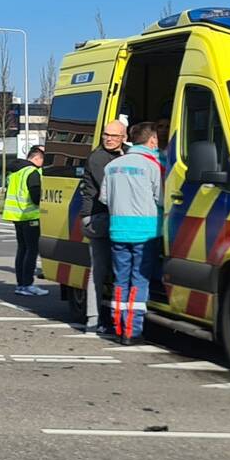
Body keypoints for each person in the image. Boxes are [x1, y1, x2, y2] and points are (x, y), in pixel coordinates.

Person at [101, 121, 165, 342]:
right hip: (145, 233)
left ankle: (118, 327)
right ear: (152, 140)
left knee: (120, 281)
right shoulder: (153, 165)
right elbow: (162, 198)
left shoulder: (112, 166)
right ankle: (132, 330)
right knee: (139, 281)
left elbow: (105, 198)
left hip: (118, 230)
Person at [74, 121, 128, 338]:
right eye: (106, 135)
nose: (109, 139)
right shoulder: (98, 157)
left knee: (115, 269)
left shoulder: (124, 154)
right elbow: (111, 186)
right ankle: (94, 320)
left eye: (114, 136)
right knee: (100, 269)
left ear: (124, 136)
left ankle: (114, 318)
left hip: (112, 217)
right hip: (98, 218)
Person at [3, 145, 48, 297]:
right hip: (30, 216)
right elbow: (36, 197)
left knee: (22, 249)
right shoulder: (32, 172)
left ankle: (21, 284)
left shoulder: (15, 172)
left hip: (17, 216)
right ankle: (27, 284)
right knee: (32, 250)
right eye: (43, 160)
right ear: (37, 158)